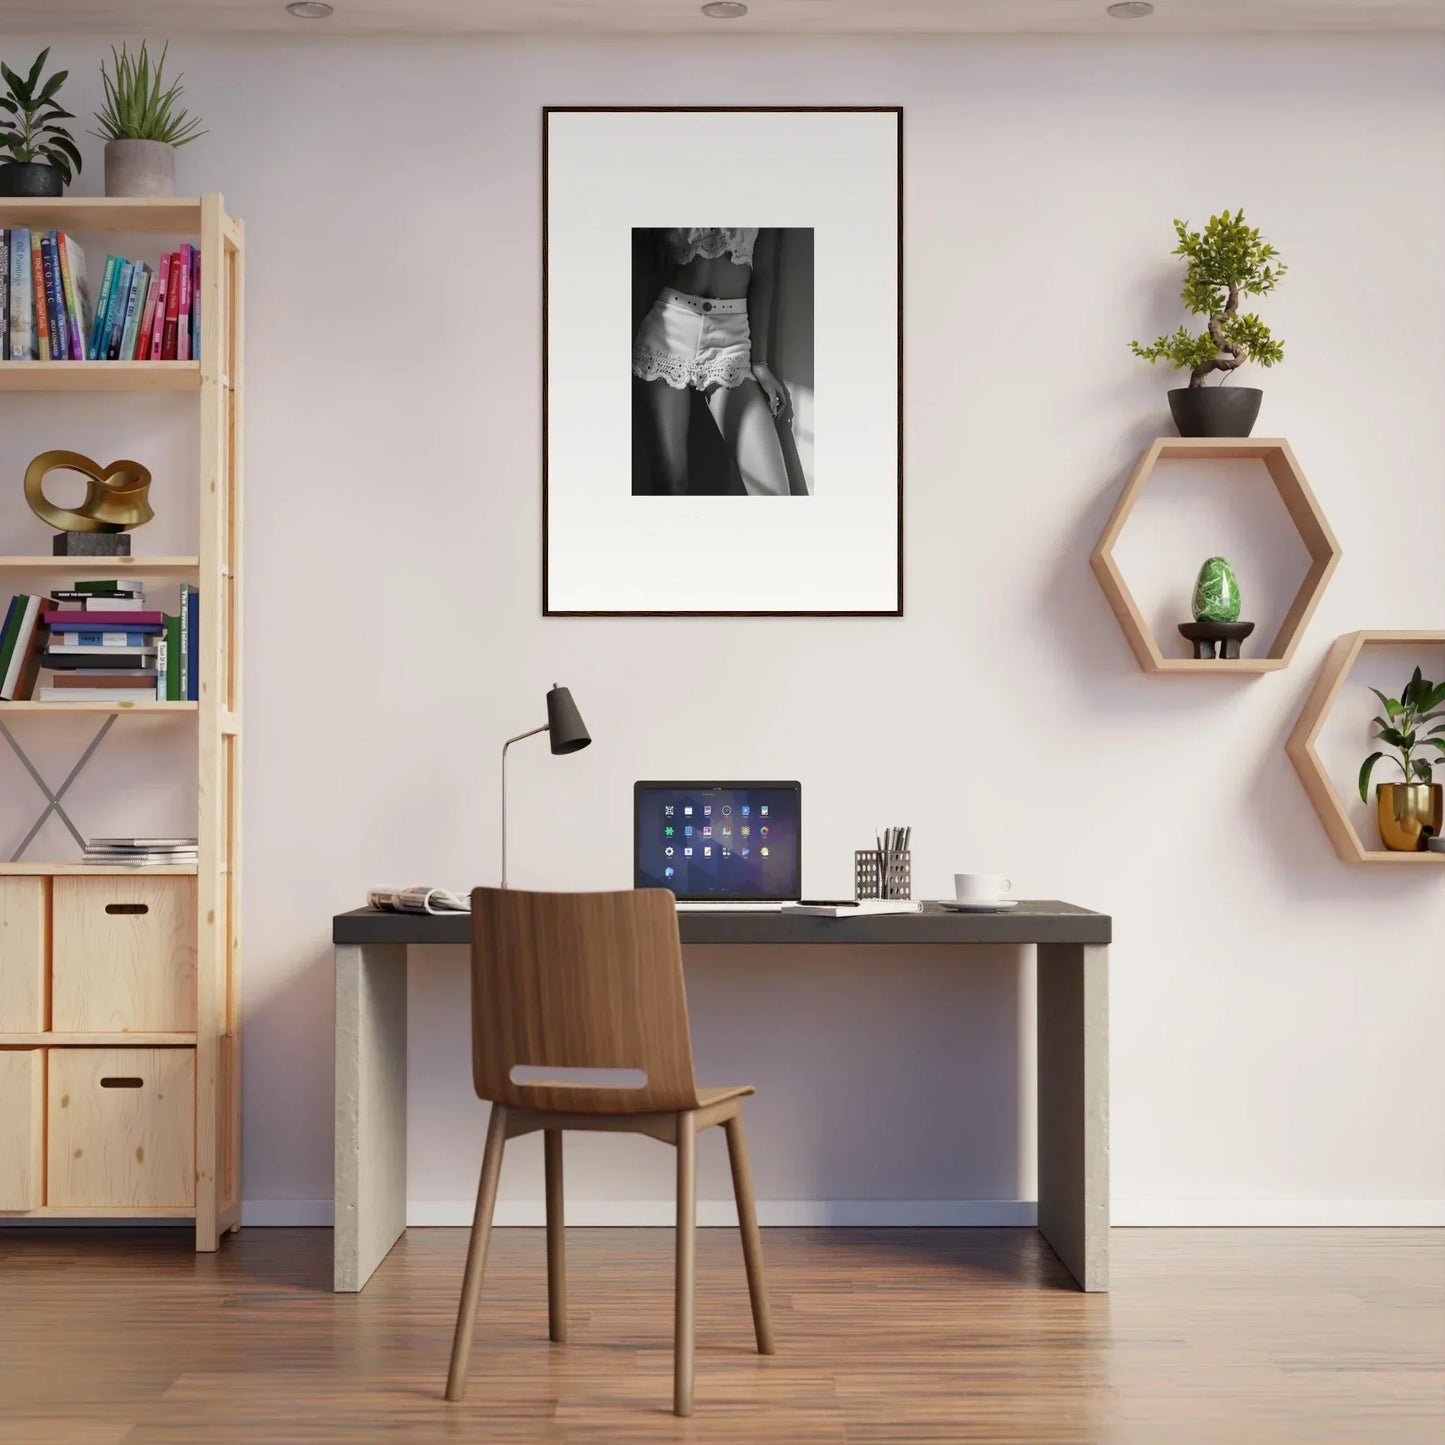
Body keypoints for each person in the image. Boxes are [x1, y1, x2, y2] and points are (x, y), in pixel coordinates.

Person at [631, 227, 792, 497]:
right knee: (672, 487)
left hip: (732, 339)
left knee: (774, 494)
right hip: (670, 328)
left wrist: (760, 363)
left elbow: (764, 278)